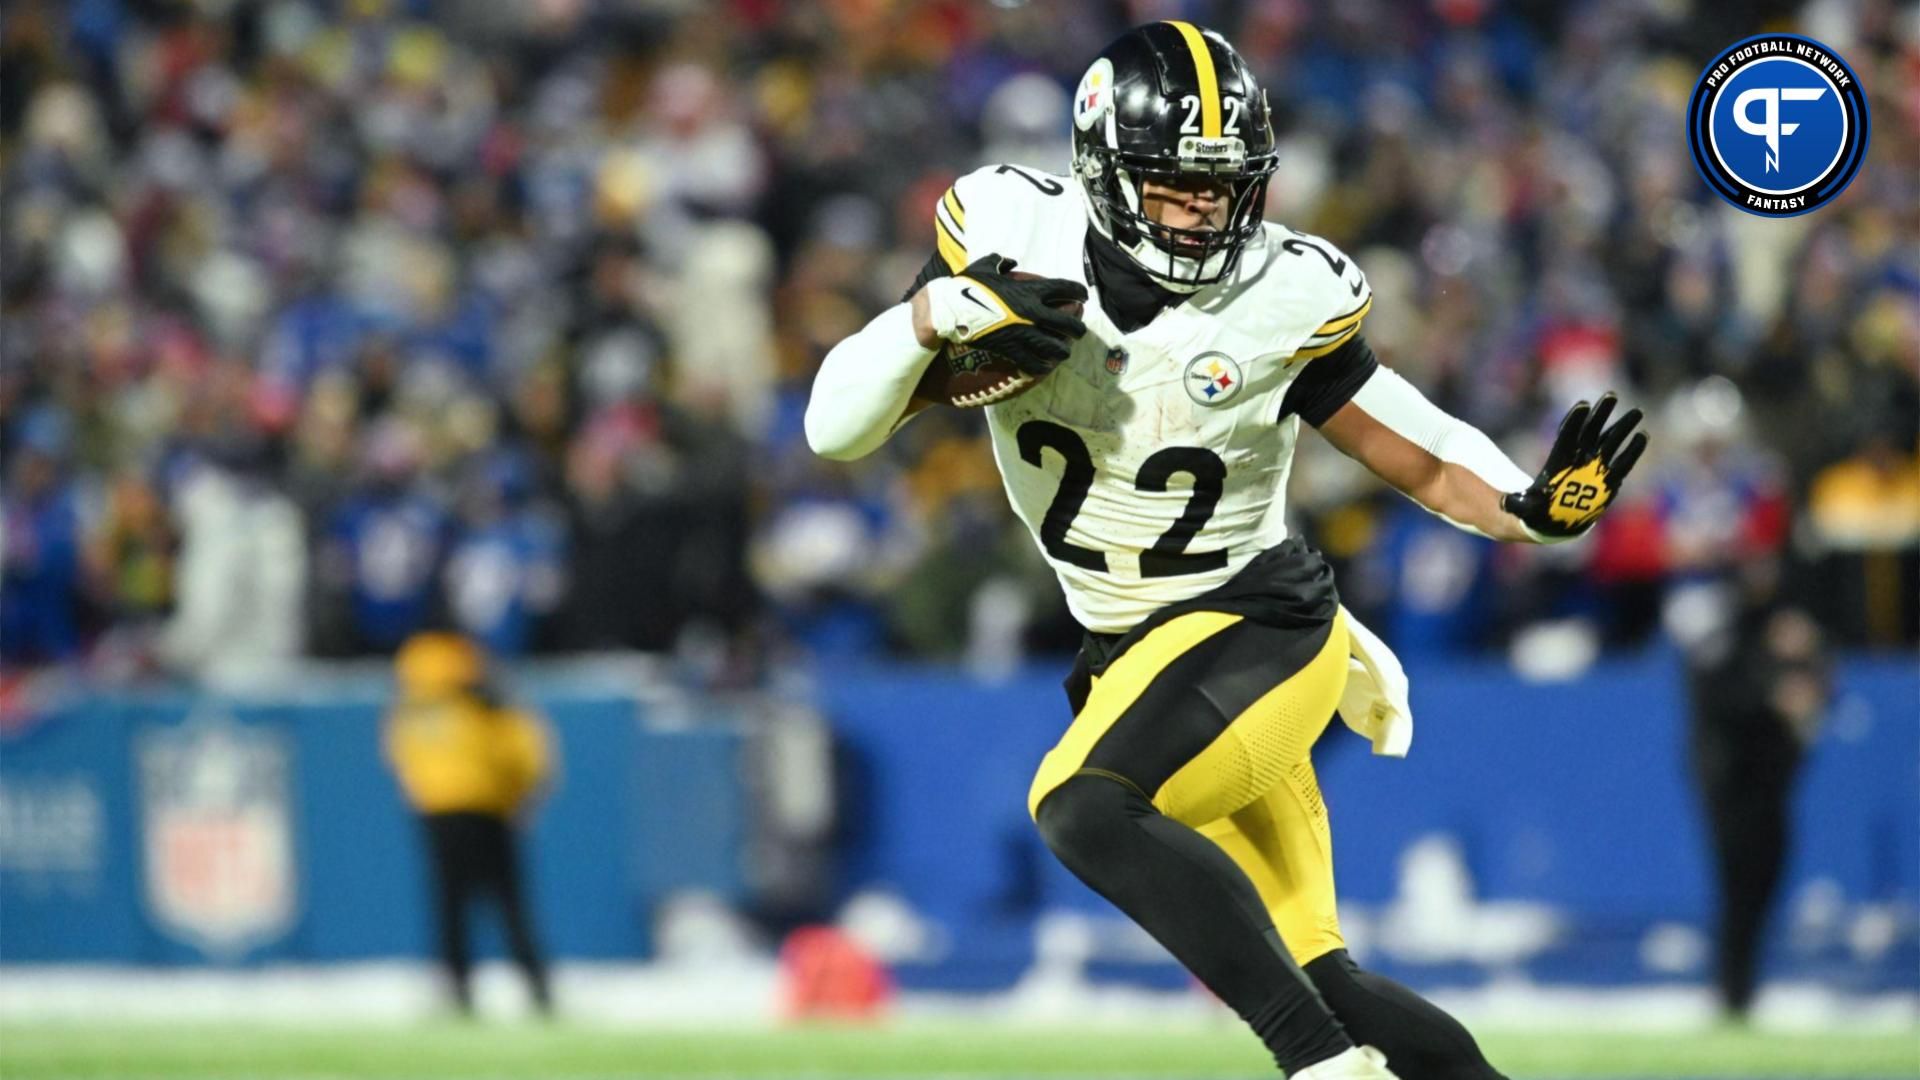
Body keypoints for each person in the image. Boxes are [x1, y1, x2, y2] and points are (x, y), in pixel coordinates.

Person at [806, 22, 1646, 1080]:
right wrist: (930, 318)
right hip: (1134, 654)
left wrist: (1531, 508)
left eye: (1223, 184)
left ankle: (1321, 1070)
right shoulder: (1011, 235)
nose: (1205, 207)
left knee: (1081, 805)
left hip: (1258, 624)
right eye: (1175, 184)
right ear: (1106, 172)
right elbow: (832, 429)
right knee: (1327, 979)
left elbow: (1419, 451)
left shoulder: (1282, 295)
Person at [384, 631, 554, 1016]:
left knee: (450, 906)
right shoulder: (483, 690)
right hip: (487, 805)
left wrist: (423, 788)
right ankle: (537, 986)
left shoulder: (413, 695)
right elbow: (523, 749)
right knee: (509, 904)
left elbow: (399, 749)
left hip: (437, 809)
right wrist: (521, 793)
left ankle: (458, 989)